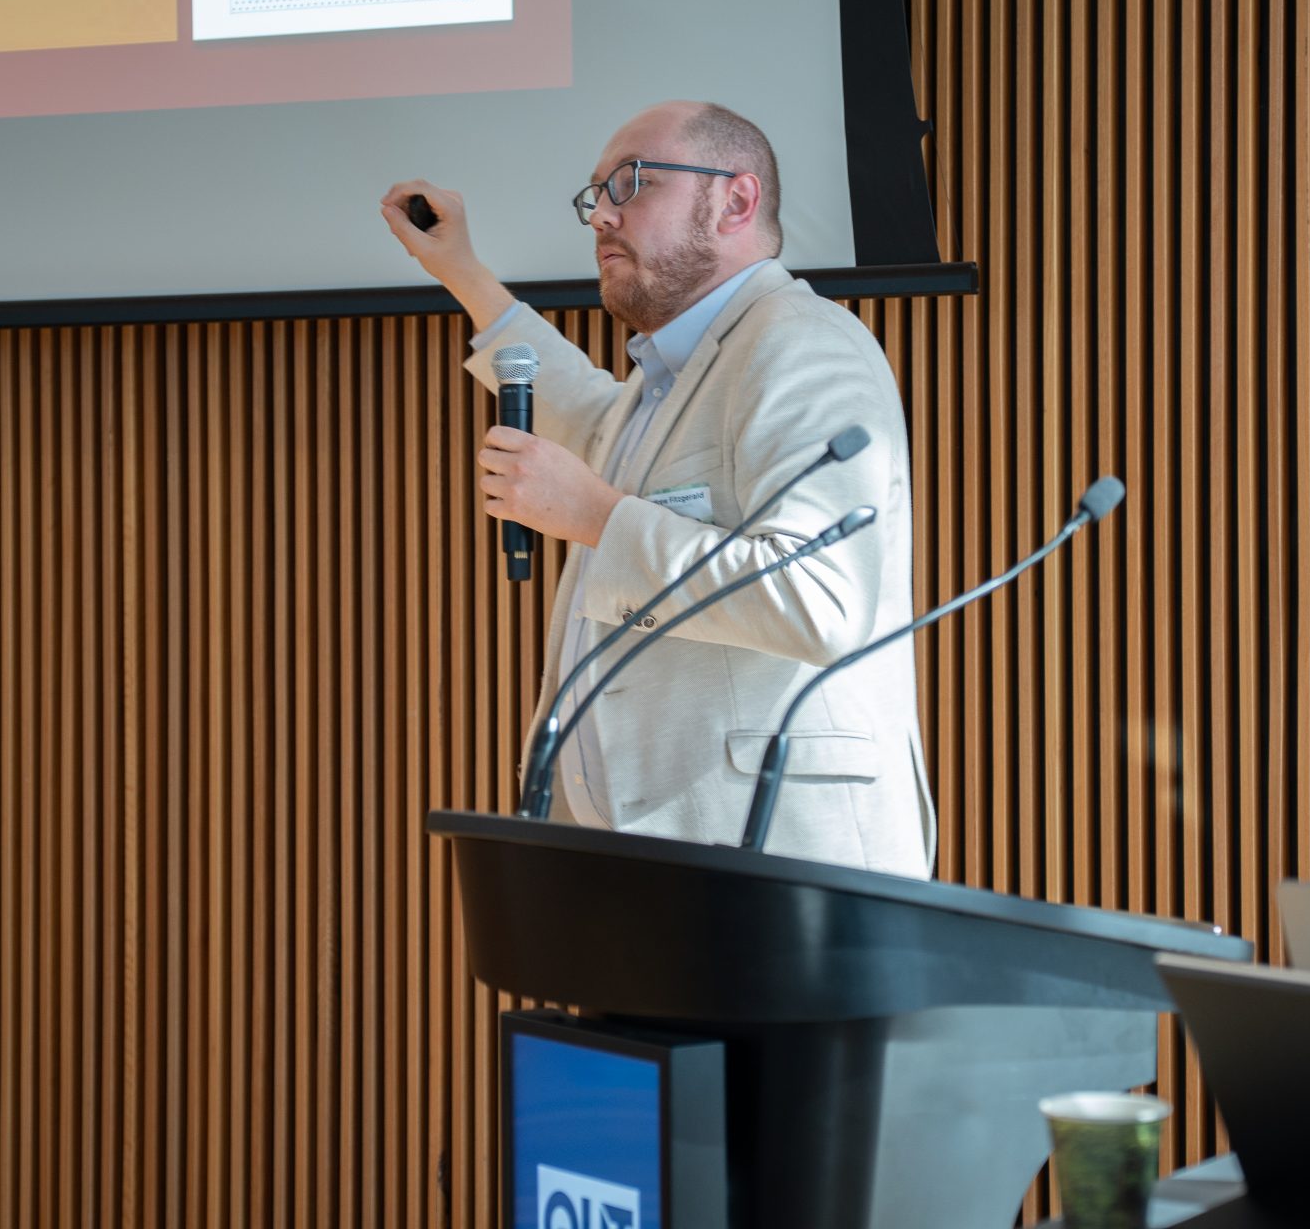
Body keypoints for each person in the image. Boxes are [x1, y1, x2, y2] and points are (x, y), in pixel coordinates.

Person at [381, 100, 932, 877]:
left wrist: (599, 518)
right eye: (595, 194)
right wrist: (463, 272)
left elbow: (822, 600)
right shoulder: (672, 379)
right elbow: (589, 410)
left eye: (632, 183)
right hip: (645, 876)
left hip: (775, 873)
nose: (602, 215)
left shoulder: (801, 343)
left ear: (737, 199)